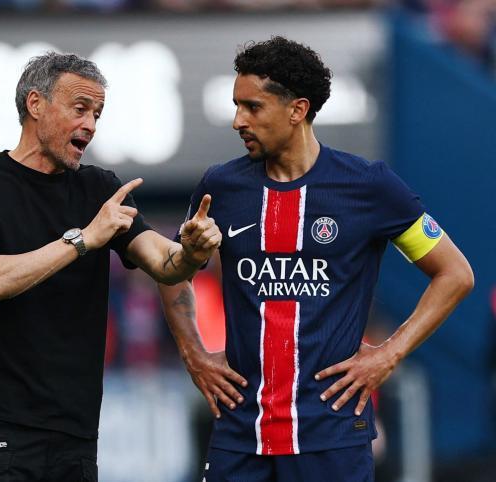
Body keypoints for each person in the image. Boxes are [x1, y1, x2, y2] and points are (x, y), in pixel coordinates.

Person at [158, 36, 474, 482]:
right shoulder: (221, 187)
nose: (237, 121)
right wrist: (193, 355)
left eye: (252, 107)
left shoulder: (369, 186)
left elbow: (455, 273)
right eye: (236, 106)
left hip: (332, 436)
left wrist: (389, 354)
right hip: (240, 432)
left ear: (297, 110)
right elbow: (171, 271)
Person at [0, 51, 221, 482]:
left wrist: (193, 251)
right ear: (35, 104)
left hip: (76, 441)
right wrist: (83, 239)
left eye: (97, 114)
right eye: (80, 108)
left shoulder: (99, 188)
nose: (90, 124)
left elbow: (165, 264)